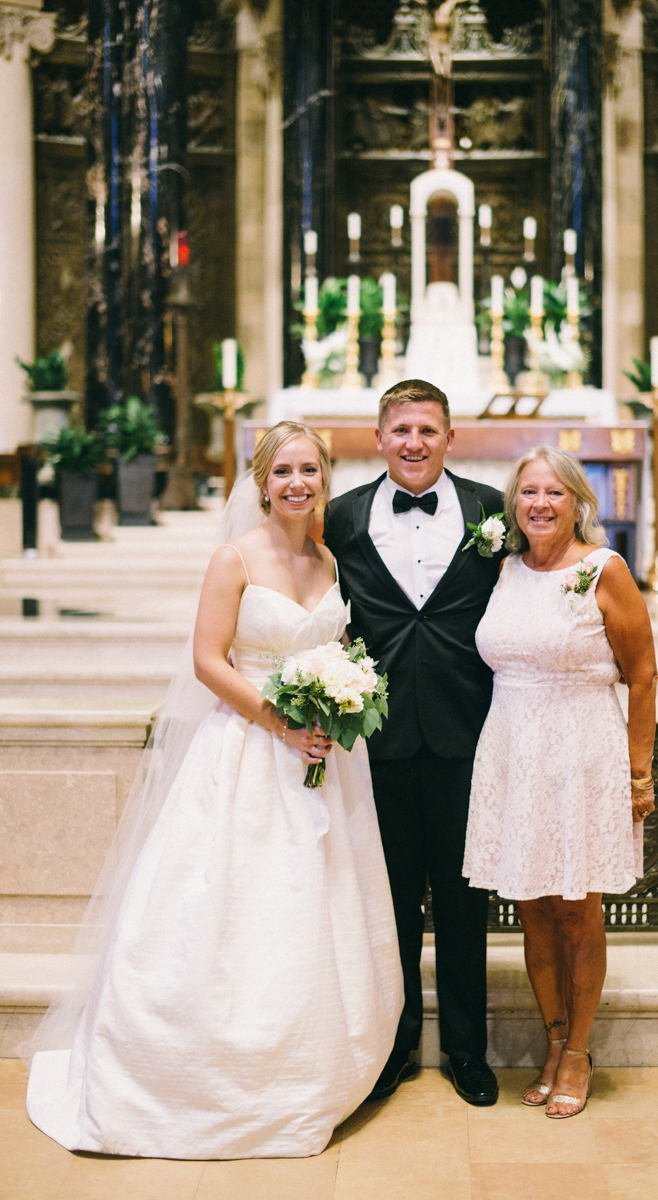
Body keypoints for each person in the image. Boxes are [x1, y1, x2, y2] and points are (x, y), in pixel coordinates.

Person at [25, 421, 402, 1159]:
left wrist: (338, 703)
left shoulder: (329, 559)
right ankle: (203, 1078)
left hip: (323, 756)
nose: (298, 483)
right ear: (262, 481)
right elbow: (207, 659)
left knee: (315, 906)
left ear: (326, 479)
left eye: (311, 471)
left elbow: (335, 648)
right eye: (284, 471)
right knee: (235, 906)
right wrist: (281, 725)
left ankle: (309, 1070)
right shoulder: (234, 558)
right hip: (247, 755)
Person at [324, 379, 504, 1107]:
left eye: (428, 430)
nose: (414, 443)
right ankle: (392, 1049)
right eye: (401, 430)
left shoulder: (494, 510)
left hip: (471, 732)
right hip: (378, 738)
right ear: (379, 437)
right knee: (389, 900)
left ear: (450, 438)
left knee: (465, 902)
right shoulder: (339, 516)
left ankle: (466, 1050)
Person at [463, 445, 657, 1118]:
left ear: (578, 501)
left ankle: (578, 1051)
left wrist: (639, 773)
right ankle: (552, 1040)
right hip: (513, 750)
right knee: (532, 907)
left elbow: (644, 674)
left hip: (581, 753)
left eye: (554, 493)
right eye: (528, 493)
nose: (540, 504)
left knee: (578, 911)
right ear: (513, 504)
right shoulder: (506, 569)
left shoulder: (605, 571)